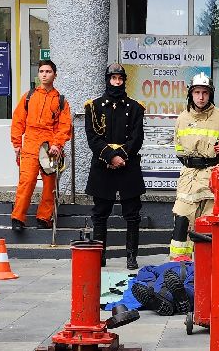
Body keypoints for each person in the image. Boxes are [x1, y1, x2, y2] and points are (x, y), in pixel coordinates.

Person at [169, 72, 219, 261]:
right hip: (188, 176)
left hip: (212, 177)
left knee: (208, 225)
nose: (201, 97)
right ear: (190, 94)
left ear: (210, 95)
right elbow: (179, 149)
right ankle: (177, 266)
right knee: (181, 220)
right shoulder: (182, 118)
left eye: (205, 93)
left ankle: (207, 264)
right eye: (197, 92)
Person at [84, 61, 145, 270]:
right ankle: (100, 256)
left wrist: (122, 156)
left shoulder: (136, 107)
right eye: (113, 78)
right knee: (100, 213)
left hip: (128, 165)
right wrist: (110, 157)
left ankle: (131, 256)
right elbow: (92, 138)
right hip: (103, 166)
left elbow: (137, 138)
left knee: (132, 214)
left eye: (120, 79)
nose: (116, 82)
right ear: (107, 80)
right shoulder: (93, 107)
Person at [10, 58, 73, 236]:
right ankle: (18, 218)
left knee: (49, 185)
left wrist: (57, 144)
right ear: (38, 74)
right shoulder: (29, 96)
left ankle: (44, 218)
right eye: (42, 72)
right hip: (30, 144)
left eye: (48, 72)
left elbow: (64, 126)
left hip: (49, 147)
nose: (44, 75)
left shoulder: (60, 100)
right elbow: (18, 121)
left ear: (55, 75)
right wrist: (16, 143)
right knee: (26, 182)